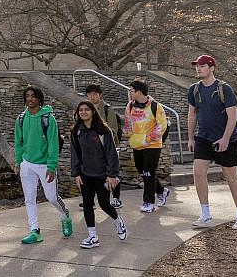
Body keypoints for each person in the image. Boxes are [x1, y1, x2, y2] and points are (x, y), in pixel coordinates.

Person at [187, 54, 237, 230]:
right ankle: (206, 215)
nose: (198, 69)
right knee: (198, 173)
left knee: (231, 177)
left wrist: (225, 138)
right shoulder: (194, 89)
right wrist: (191, 138)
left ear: (212, 68)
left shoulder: (224, 89)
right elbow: (192, 114)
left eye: (202, 66)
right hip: (204, 138)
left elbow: (233, 116)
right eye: (197, 66)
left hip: (226, 139)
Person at [15, 85, 72, 244]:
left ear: (40, 99)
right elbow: (19, 143)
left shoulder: (48, 119)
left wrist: (52, 166)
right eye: (27, 96)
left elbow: (53, 144)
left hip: (45, 165)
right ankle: (35, 230)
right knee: (29, 198)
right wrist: (19, 162)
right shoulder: (21, 118)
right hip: (27, 163)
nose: (30, 99)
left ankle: (65, 215)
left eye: (33, 96)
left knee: (52, 197)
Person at [70, 100, 127, 249]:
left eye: (86, 110)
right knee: (87, 204)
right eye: (80, 110)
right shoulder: (76, 131)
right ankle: (92, 236)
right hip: (85, 175)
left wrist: (112, 174)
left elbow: (111, 153)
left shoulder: (103, 131)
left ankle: (117, 220)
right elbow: (75, 154)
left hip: (102, 175)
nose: (83, 112)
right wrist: (76, 173)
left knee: (104, 204)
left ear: (93, 112)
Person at [124, 80, 169, 213]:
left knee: (149, 171)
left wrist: (149, 138)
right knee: (143, 171)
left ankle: (148, 202)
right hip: (137, 144)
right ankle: (161, 191)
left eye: (131, 90)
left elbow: (162, 125)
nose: (130, 93)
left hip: (153, 145)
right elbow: (128, 122)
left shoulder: (156, 106)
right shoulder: (130, 106)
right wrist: (132, 136)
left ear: (139, 92)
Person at [85, 83, 124, 209]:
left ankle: (116, 198)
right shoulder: (86, 109)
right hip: (92, 149)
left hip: (108, 147)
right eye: (90, 94)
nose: (92, 96)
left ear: (100, 95)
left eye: (95, 94)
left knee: (113, 173)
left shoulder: (107, 109)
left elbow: (113, 129)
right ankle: (90, 200)